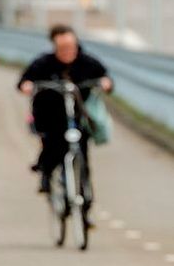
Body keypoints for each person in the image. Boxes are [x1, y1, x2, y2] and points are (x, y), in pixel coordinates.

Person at [18, 25, 113, 194]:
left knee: (82, 154)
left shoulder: (87, 62)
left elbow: (105, 76)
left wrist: (106, 83)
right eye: (63, 48)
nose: (68, 51)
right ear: (55, 46)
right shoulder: (44, 63)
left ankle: (85, 204)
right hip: (49, 114)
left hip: (78, 116)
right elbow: (25, 80)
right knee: (53, 145)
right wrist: (27, 85)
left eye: (71, 46)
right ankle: (46, 172)